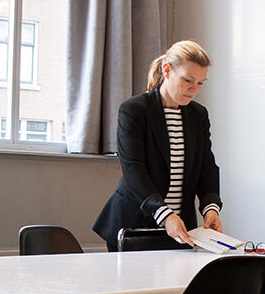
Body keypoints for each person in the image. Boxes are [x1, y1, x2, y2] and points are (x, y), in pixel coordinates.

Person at [92, 40, 222, 252]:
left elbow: (206, 167)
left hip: (180, 231)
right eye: (188, 80)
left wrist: (211, 208)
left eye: (201, 83)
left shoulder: (198, 115)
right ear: (167, 70)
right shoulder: (134, 110)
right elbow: (134, 170)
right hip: (134, 225)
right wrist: (166, 214)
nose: (194, 89)